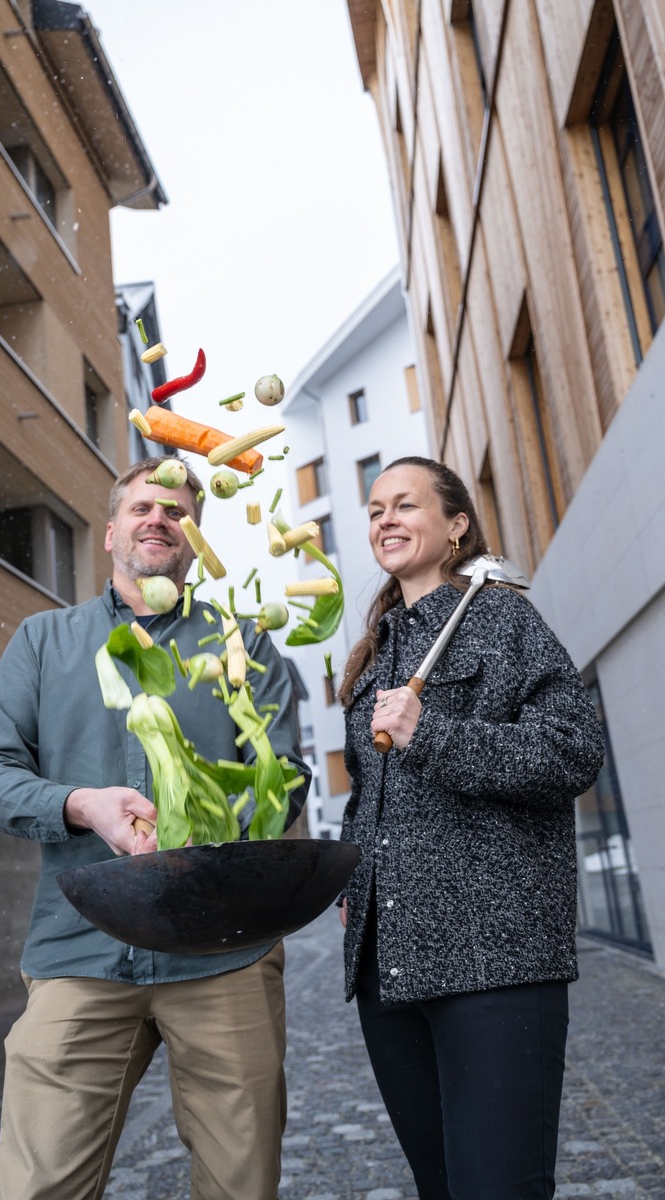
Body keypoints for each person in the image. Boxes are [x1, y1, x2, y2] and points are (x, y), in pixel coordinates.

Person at [0, 455, 310, 1200]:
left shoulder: (242, 642)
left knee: (240, 1187)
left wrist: (208, 833)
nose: (161, 518)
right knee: (36, 1187)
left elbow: (285, 773)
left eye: (178, 511)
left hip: (227, 950)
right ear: (113, 528)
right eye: (144, 507)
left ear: (194, 539)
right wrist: (81, 806)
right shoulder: (42, 641)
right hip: (79, 948)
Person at [336, 456, 604, 1200]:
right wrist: (352, 885)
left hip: (494, 956)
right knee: (441, 1187)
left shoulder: (500, 616)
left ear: (456, 526)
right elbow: (368, 797)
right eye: (375, 508)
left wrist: (435, 735)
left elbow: (572, 750)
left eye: (405, 505)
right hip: (388, 970)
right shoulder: (376, 650)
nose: (384, 518)